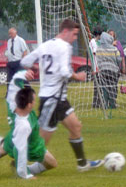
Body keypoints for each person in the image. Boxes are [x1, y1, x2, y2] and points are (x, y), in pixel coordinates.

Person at [20, 19, 103, 171]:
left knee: (76, 127)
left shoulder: (45, 45)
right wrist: (78, 76)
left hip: (59, 98)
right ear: (65, 31)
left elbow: (25, 61)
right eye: (74, 34)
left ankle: (82, 163)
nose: (75, 38)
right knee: (40, 142)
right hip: (52, 98)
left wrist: (34, 67)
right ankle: (14, 155)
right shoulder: (65, 47)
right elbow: (64, 71)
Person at [96, 32, 122, 109]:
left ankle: (105, 105)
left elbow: (98, 60)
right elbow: (119, 59)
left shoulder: (99, 49)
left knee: (104, 88)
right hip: (113, 70)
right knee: (112, 87)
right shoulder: (114, 49)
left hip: (103, 71)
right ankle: (112, 104)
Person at [89, 26, 103, 108]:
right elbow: (95, 53)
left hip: (100, 66)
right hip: (96, 67)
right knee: (97, 86)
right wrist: (96, 68)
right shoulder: (93, 41)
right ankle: (96, 103)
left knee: (101, 86)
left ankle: (100, 102)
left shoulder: (98, 41)